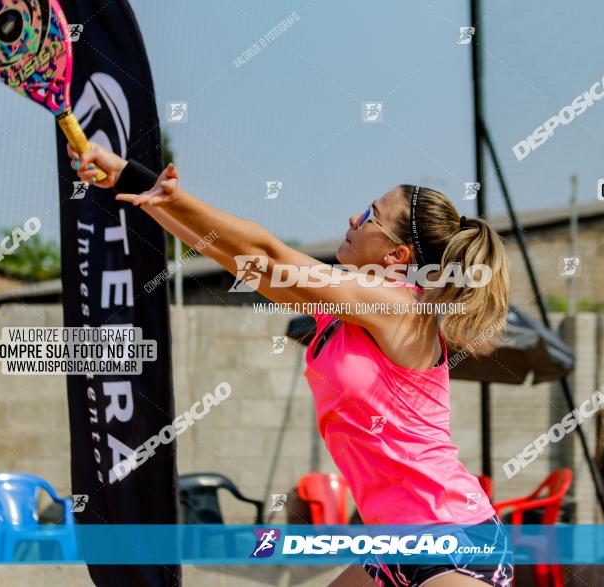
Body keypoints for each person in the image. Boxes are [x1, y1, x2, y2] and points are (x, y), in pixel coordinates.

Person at [68, 145, 515, 587]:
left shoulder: (399, 304)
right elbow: (252, 265)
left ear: (397, 257)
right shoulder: (342, 310)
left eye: (369, 214)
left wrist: (165, 192)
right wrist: (135, 184)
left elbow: (271, 256)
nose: (353, 219)